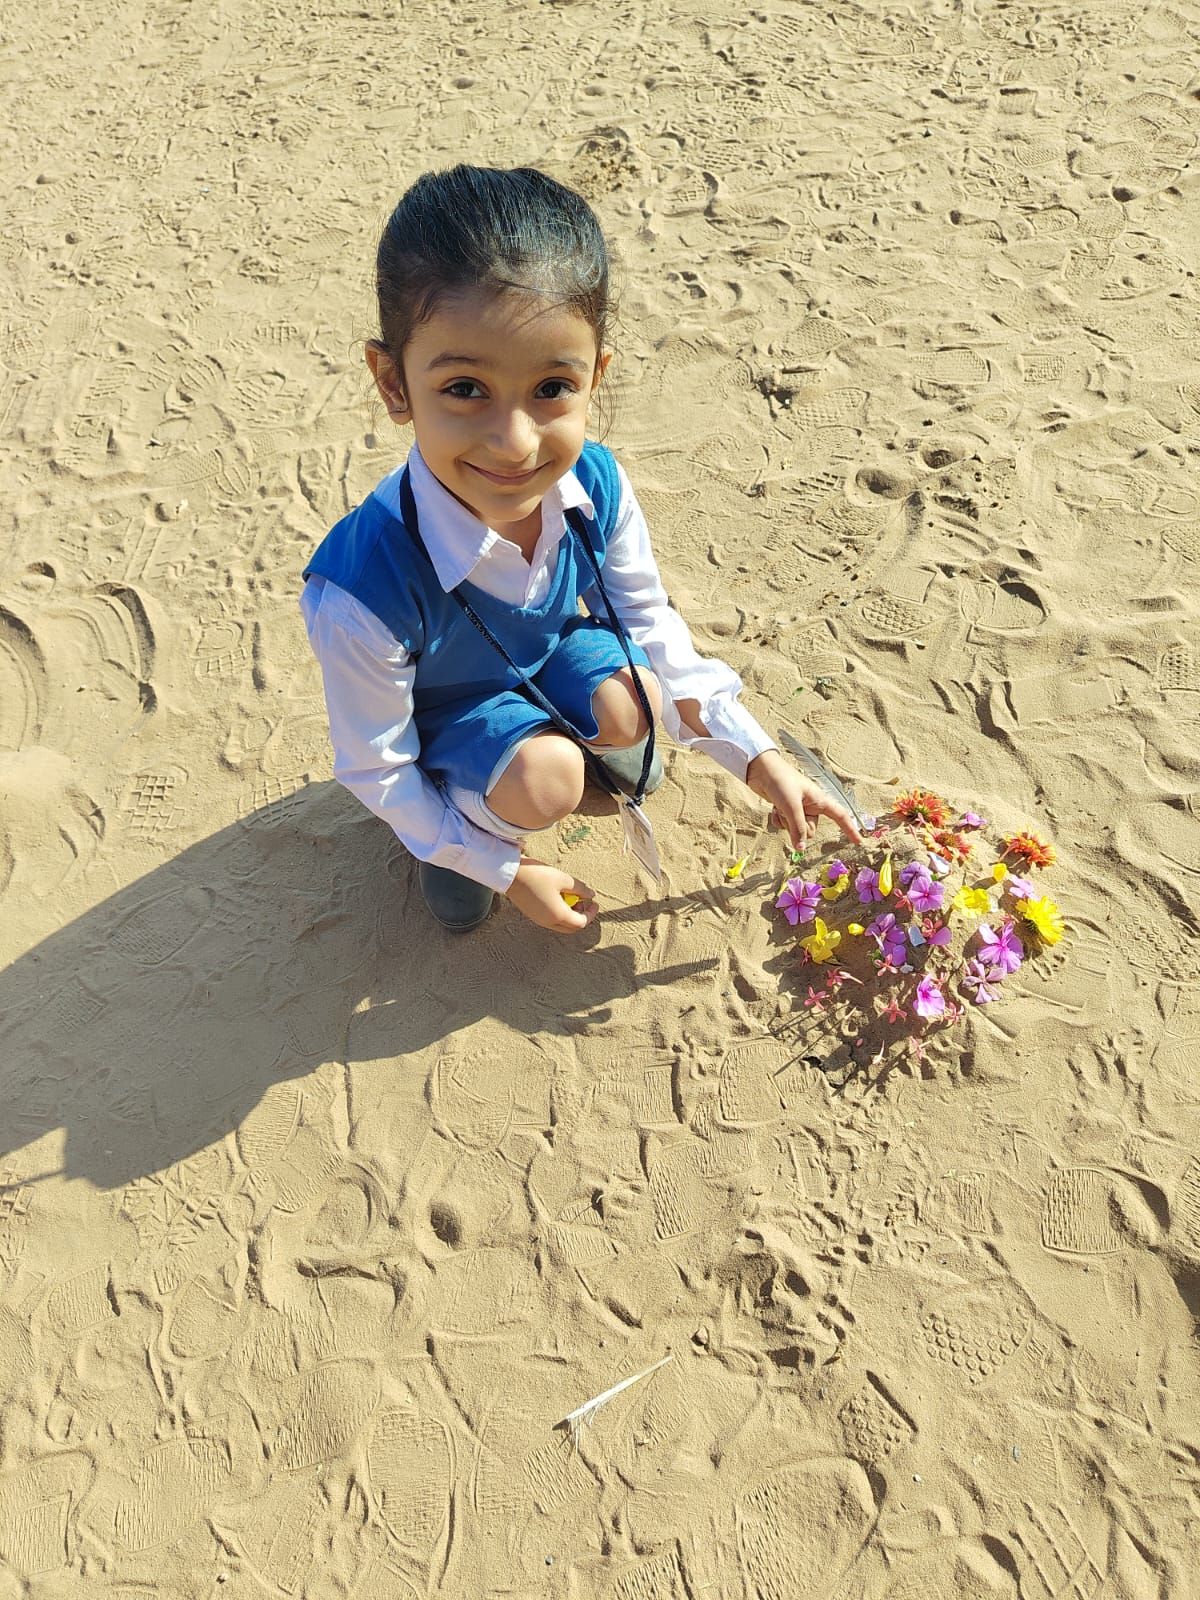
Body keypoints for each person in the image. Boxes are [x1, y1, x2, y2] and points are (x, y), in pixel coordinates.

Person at [301, 165, 862, 935]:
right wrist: (510, 869)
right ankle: (465, 833)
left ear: (596, 375)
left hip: (548, 656)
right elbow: (377, 764)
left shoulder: (596, 485)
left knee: (634, 700)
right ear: (393, 383)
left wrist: (758, 756)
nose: (515, 442)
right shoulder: (362, 590)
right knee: (546, 780)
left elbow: (648, 621)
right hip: (443, 713)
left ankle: (581, 743)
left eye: (551, 388)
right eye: (465, 388)